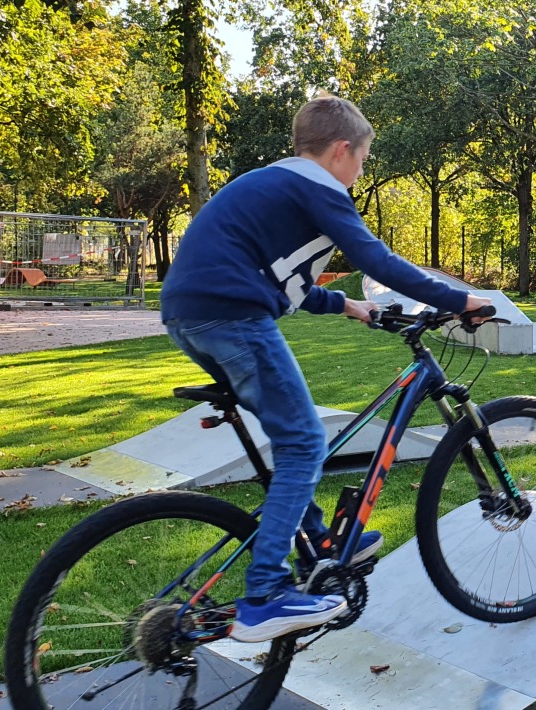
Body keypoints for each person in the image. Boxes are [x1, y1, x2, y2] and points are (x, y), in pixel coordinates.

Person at [160, 95, 491, 643]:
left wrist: (348, 305)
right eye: (362, 160)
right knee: (306, 443)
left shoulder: (271, 184)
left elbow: (278, 275)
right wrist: (460, 299)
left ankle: (322, 541)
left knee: (291, 442)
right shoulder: (319, 188)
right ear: (342, 151)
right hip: (233, 316)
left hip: (190, 315)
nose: (360, 174)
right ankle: (263, 597)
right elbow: (376, 259)